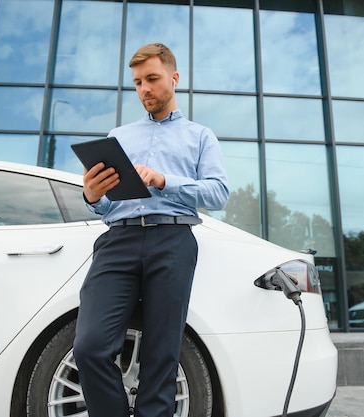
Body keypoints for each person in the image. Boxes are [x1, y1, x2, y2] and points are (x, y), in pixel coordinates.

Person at [73, 43, 229, 417]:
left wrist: (165, 180)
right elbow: (108, 205)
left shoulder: (200, 136)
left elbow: (219, 193)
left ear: (174, 79)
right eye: (138, 82)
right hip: (118, 239)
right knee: (90, 347)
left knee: (162, 355)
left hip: (173, 241)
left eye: (153, 79)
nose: (144, 88)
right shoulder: (119, 136)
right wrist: (92, 196)